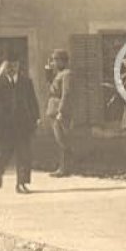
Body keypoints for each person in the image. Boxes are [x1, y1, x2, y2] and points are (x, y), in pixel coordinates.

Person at [0, 52, 40, 194]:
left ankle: (21, 184)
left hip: (22, 123)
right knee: (5, 152)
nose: (12, 68)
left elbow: (32, 100)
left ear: (19, 65)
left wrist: (36, 117)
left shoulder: (26, 81)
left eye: (15, 65)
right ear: (4, 67)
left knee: (24, 154)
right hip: (3, 124)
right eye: (9, 66)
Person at [47, 49, 74, 178]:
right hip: (53, 110)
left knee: (63, 140)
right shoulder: (58, 74)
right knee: (60, 140)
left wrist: (61, 111)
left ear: (62, 61)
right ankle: (63, 167)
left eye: (55, 60)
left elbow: (66, 93)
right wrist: (48, 70)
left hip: (59, 111)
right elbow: (51, 86)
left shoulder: (67, 74)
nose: (53, 62)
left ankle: (65, 168)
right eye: (53, 60)